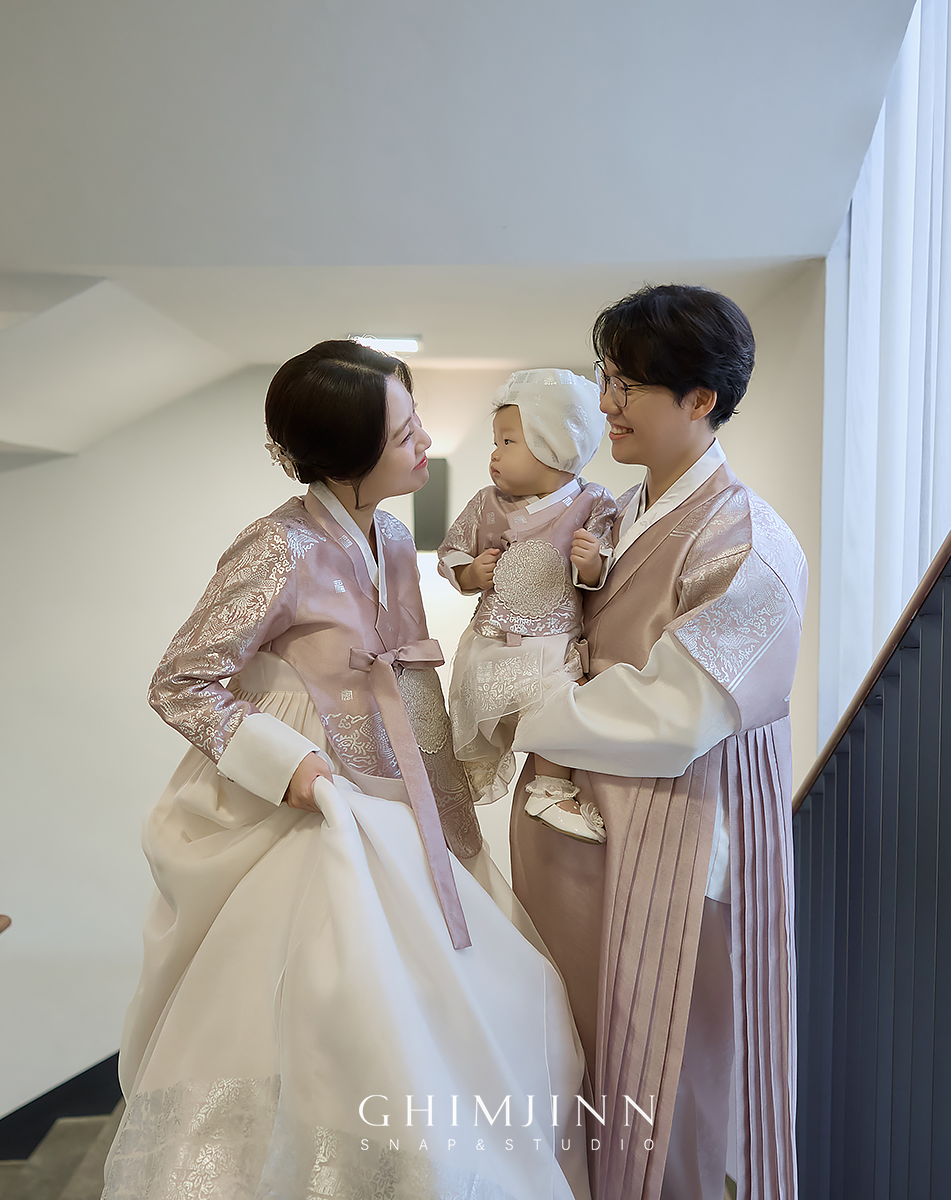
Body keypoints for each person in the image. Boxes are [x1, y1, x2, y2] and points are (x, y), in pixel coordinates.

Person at [106, 340, 590, 1200]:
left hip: (401, 797)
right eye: (405, 433)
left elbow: (408, 676)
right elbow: (181, 680)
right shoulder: (276, 547)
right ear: (347, 454)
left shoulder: (394, 535)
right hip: (309, 811)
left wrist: (450, 816)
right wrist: (291, 766)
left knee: (487, 1003)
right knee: (336, 1016)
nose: (426, 442)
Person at [511, 287, 807, 1200]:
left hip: (677, 830)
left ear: (700, 399)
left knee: (664, 1082)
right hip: (586, 819)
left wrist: (526, 709)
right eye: (606, 377)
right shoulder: (617, 512)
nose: (606, 403)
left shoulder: (748, 544)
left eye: (628, 384)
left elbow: (677, 715)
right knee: (579, 1060)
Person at [436, 368, 618, 841]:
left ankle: (549, 788)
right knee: (477, 712)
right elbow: (451, 552)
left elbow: (603, 570)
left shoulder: (592, 502)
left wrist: (591, 566)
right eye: (495, 443)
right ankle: (463, 782)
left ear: (552, 445)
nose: (494, 455)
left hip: (551, 641)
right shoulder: (486, 503)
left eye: (508, 442)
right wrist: (471, 573)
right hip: (491, 638)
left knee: (558, 702)